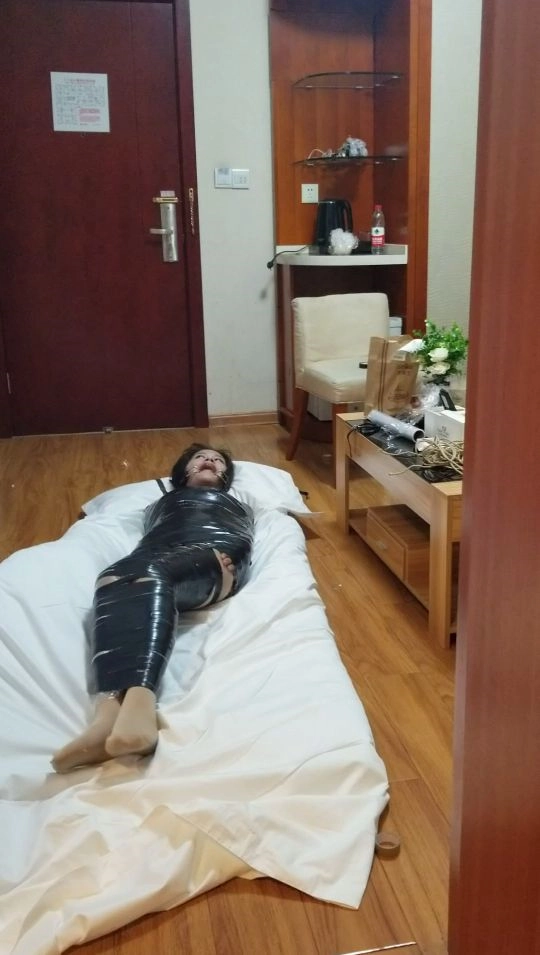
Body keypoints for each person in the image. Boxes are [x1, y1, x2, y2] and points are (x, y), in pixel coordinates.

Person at [52, 444, 254, 773]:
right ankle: (108, 716)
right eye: (200, 457)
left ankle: (140, 703)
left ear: (225, 476)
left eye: (218, 461)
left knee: (153, 575)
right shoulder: (159, 503)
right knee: (111, 577)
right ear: (183, 471)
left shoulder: (236, 504)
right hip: (153, 553)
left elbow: (241, 533)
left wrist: (230, 555)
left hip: (216, 551)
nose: (209, 460)